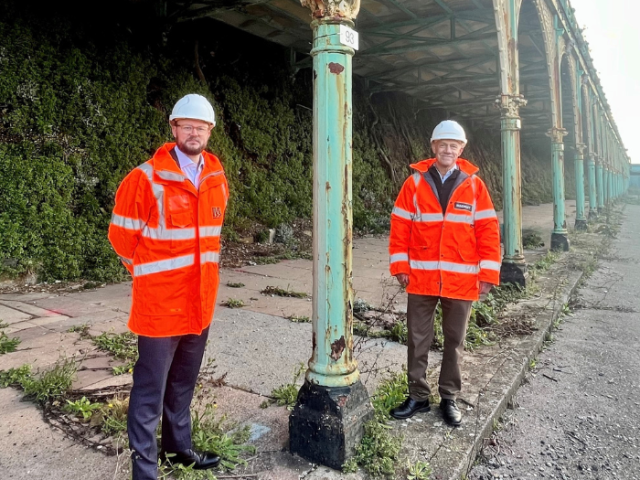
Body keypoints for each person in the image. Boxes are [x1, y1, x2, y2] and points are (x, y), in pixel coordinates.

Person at [108, 94, 229, 479]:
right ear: (174, 128)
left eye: (201, 127)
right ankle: (145, 471)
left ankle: (179, 450)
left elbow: (212, 238)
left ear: (210, 132)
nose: (194, 132)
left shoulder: (215, 176)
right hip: (159, 307)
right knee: (149, 393)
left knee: (182, 384)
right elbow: (122, 240)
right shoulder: (144, 178)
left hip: (200, 303)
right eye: (187, 125)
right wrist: (150, 277)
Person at [388, 120, 501, 426]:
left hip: (461, 280)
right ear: (433, 147)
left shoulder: (475, 186)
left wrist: (489, 274)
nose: (448, 149)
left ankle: (449, 398)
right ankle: (418, 396)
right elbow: (400, 226)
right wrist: (400, 266)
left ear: (461, 149)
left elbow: (488, 231)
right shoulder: (413, 184)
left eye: (454, 145)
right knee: (417, 339)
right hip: (421, 278)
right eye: (443, 144)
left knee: (455, 341)